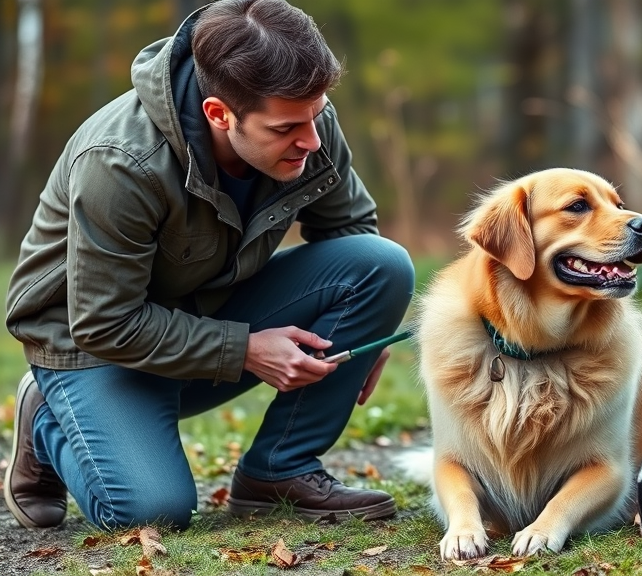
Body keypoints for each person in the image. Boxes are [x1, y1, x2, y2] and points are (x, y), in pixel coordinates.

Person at [3, 0, 414, 531]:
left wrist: (364, 336)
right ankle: (49, 416)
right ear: (220, 114)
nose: (311, 140)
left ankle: (279, 469)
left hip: (203, 309)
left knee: (381, 264)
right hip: (92, 344)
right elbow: (105, 322)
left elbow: (350, 232)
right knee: (151, 511)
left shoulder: (305, 120)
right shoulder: (120, 162)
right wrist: (244, 349)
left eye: (316, 115)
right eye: (288, 128)